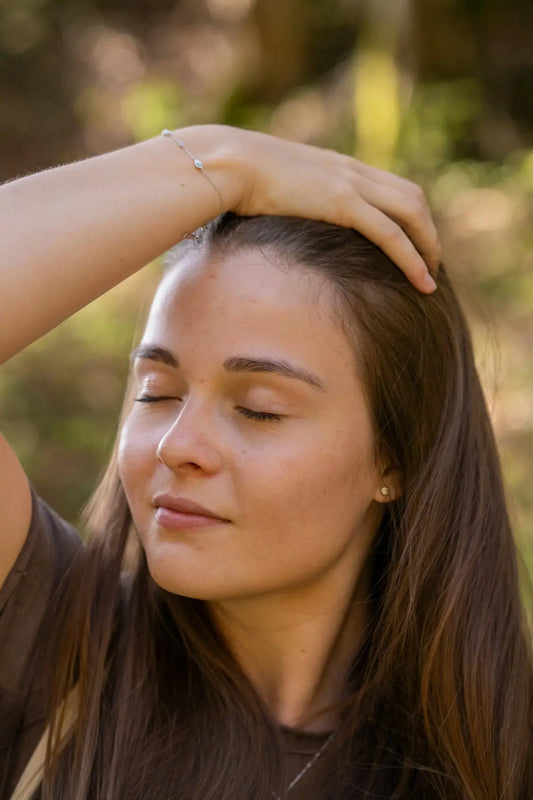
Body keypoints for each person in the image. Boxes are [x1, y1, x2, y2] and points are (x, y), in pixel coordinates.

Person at [0, 125, 531, 800]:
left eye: (257, 409)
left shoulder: (499, 753)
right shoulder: (51, 650)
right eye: (157, 393)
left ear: (393, 458)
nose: (177, 445)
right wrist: (218, 159)